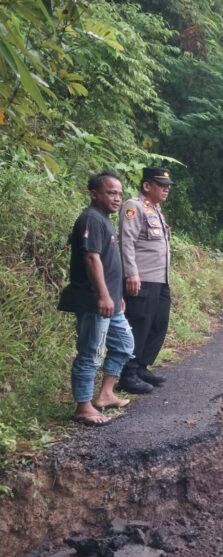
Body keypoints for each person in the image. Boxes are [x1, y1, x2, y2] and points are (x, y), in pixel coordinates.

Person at [57, 171, 133, 426]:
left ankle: (106, 394)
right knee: (90, 353)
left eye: (120, 194)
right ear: (94, 193)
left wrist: (116, 295)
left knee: (124, 344)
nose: (117, 198)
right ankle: (83, 406)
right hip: (94, 301)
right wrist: (103, 295)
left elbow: (109, 263)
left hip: (111, 301)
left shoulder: (104, 220)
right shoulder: (90, 219)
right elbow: (91, 258)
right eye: (111, 193)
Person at [117, 167, 174, 395]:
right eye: (161, 185)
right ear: (147, 186)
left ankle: (141, 366)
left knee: (158, 323)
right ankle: (128, 374)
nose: (166, 189)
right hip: (142, 278)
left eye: (168, 186)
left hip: (160, 279)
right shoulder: (134, 207)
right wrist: (131, 273)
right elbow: (127, 241)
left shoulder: (156, 210)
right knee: (139, 324)